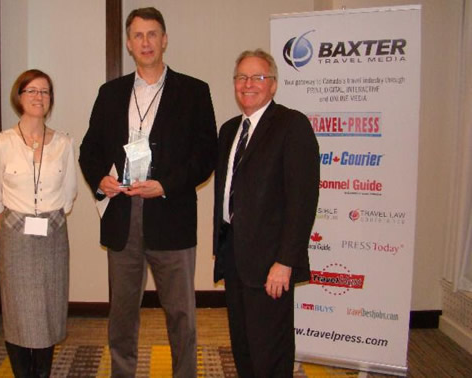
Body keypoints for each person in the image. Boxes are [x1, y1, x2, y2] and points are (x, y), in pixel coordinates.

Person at [79, 7, 217, 378]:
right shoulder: (110, 93)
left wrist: (166, 184)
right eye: (138, 35)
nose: (146, 42)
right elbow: (89, 150)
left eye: (152, 34)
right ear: (128, 43)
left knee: (181, 315)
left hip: (170, 217)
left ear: (165, 39)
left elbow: (206, 156)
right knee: (122, 316)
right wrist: (100, 180)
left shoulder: (194, 91)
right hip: (123, 217)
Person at [213, 49, 319, 377]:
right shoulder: (230, 130)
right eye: (241, 77)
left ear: (273, 85)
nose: (248, 84)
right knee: (243, 347)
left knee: (270, 353)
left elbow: (302, 201)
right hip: (234, 257)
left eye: (257, 77)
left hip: (271, 264)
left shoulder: (292, 125)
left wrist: (285, 262)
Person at [0, 69, 77, 378]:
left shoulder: (63, 143)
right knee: (19, 314)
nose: (39, 97)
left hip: (53, 238)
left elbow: (68, 196)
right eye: (32, 91)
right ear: (19, 97)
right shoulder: (2, 143)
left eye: (45, 92)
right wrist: (12, 232)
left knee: (48, 312)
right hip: (16, 240)